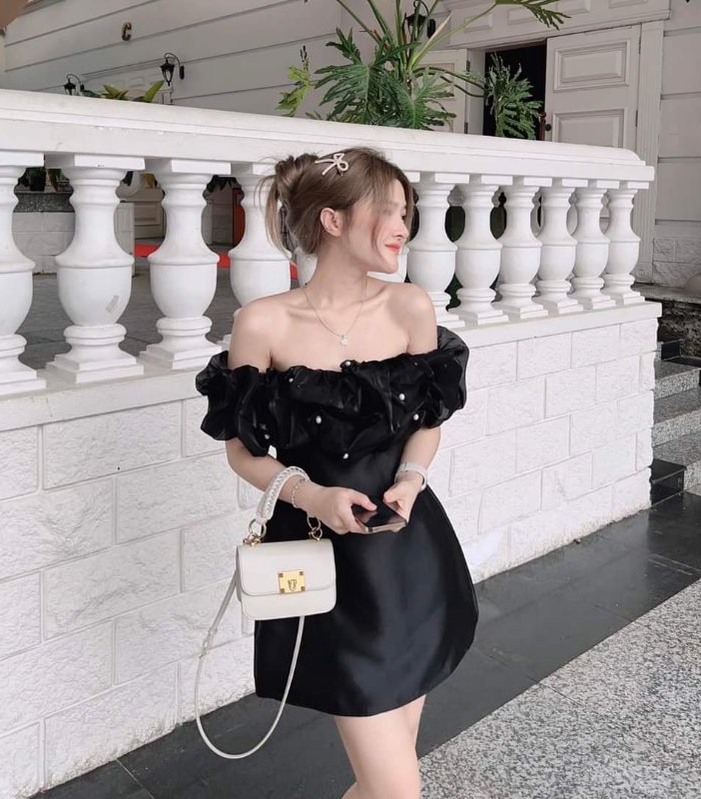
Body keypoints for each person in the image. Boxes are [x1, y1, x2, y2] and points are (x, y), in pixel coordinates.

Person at [195, 146, 479, 799]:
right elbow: (241, 451)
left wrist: (411, 479)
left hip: (411, 553)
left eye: (405, 213)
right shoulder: (263, 322)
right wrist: (313, 494)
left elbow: (428, 420)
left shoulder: (410, 307)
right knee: (396, 788)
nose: (403, 227)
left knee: (383, 782)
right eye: (390, 212)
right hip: (326, 564)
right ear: (332, 220)